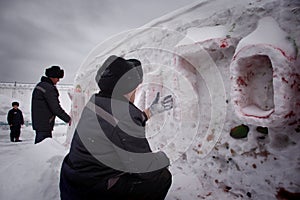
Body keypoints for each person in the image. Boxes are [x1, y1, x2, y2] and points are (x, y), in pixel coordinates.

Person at [60, 55, 174, 200]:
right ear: (129, 87)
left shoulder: (97, 102)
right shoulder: (122, 117)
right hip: (92, 190)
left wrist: (150, 112)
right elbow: (144, 167)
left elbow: (115, 124)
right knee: (161, 177)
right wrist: (164, 158)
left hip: (75, 182)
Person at [31, 65, 71, 144]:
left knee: (40, 144)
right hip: (45, 123)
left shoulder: (40, 85)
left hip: (39, 122)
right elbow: (55, 107)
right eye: (57, 78)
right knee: (44, 146)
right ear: (52, 77)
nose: (58, 80)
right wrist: (68, 119)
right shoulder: (49, 88)